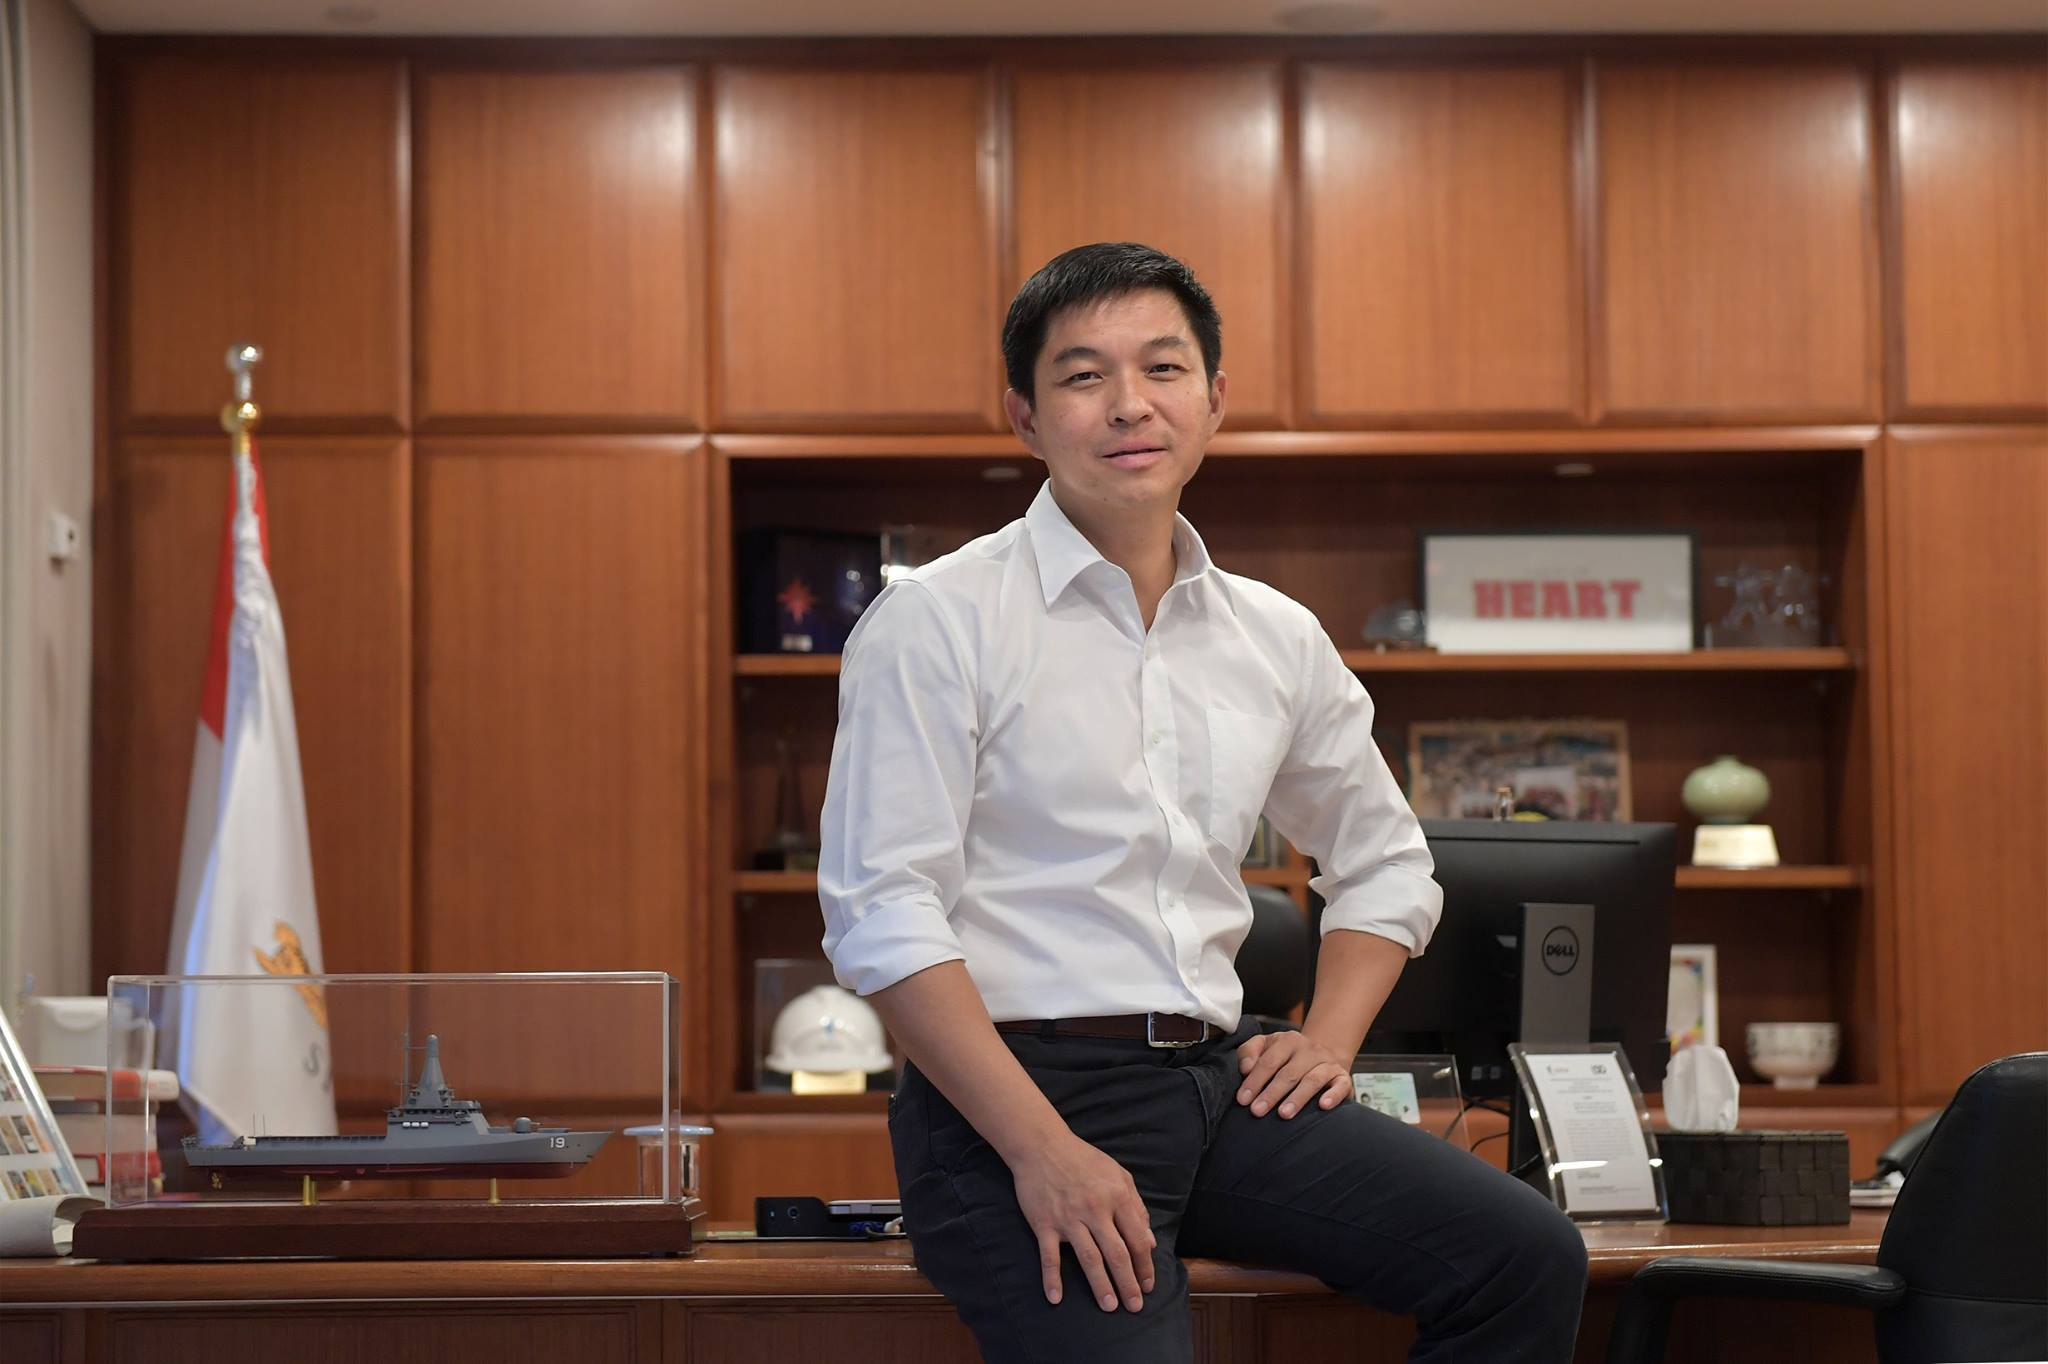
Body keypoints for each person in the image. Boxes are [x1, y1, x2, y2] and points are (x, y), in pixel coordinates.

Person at [817, 242, 1588, 1363]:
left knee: (1523, 1255)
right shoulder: (937, 619)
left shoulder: (1272, 634)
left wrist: (1327, 1043)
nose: (1130, 403)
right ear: (1025, 417)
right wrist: (1043, 1149)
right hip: (1012, 1101)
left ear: (1214, 400)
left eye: (1163, 368)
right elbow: (882, 914)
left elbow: (1385, 863)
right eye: (1083, 375)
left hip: (1222, 1086)